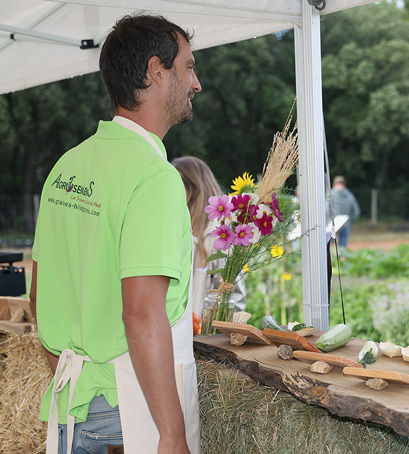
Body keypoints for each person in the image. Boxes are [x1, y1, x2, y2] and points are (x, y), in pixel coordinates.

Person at [30, 15, 202, 454]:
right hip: (130, 411)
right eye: (188, 66)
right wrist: (171, 434)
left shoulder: (66, 167)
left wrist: (77, 378)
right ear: (155, 71)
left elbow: (39, 291)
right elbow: (142, 313)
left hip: (75, 403)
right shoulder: (154, 177)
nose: (196, 83)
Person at [172, 156, 247, 314]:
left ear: (195, 187)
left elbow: (234, 299)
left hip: (204, 336)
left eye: (176, 184)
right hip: (177, 333)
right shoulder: (175, 228)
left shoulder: (220, 235)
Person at [329, 175, 361, 247]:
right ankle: (341, 258)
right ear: (344, 184)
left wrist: (327, 221)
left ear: (333, 184)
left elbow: (326, 210)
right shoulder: (349, 195)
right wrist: (349, 221)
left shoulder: (330, 194)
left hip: (332, 224)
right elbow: (357, 212)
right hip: (345, 225)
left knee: (328, 247)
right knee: (342, 248)